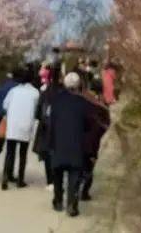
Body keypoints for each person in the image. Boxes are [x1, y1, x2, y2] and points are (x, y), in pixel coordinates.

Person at [47, 71, 91, 217]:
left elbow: (50, 123)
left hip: (59, 143)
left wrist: (50, 143)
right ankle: (72, 204)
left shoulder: (56, 101)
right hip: (76, 144)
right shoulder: (83, 103)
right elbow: (87, 126)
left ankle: (58, 201)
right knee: (74, 175)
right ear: (78, 86)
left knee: (57, 173)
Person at [0, 69, 39, 190]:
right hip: (26, 125)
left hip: (13, 125)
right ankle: (20, 180)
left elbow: (5, 105)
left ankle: (6, 178)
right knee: (23, 154)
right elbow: (37, 109)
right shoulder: (35, 93)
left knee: (10, 152)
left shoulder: (13, 91)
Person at [80, 81, 111, 201]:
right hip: (93, 144)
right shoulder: (102, 108)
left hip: (79, 141)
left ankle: (77, 189)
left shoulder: (81, 103)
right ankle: (84, 193)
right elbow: (106, 126)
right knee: (89, 169)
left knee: (79, 167)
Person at [32, 64, 62, 191]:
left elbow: (38, 112)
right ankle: (57, 180)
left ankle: (50, 181)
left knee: (47, 155)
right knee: (58, 153)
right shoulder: (64, 92)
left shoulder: (45, 93)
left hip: (45, 127)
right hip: (60, 127)